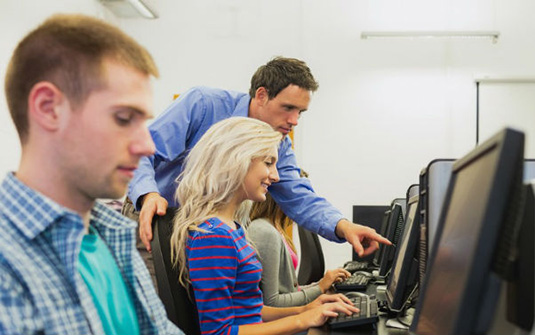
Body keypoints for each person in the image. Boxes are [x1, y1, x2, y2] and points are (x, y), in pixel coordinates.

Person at [0, 14, 181, 334]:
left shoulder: (112, 234)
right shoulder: (9, 264)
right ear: (48, 108)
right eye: (125, 118)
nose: (146, 145)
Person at [127, 57, 390, 258]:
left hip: (206, 231)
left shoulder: (279, 143)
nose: (294, 120)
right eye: (288, 108)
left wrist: (344, 227)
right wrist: (148, 194)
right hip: (154, 215)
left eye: (301, 112)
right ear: (262, 95)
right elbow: (141, 150)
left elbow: (300, 197)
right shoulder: (203, 104)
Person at [170, 117, 358, 335]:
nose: (276, 176)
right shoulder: (214, 236)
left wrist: (304, 309)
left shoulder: (233, 228)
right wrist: (302, 321)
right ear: (235, 161)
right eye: (268, 163)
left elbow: (250, 309)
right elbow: (218, 332)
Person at [248, 174, 351, 307]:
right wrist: (320, 288)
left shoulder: (276, 229)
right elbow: (272, 302)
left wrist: (322, 284)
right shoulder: (264, 232)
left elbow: (290, 290)